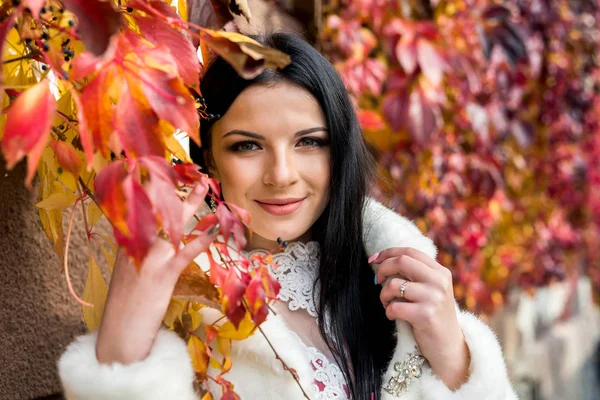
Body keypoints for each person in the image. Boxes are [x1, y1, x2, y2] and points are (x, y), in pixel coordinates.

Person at [58, 33, 518, 400]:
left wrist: (456, 361)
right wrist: (121, 345)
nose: (281, 175)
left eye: (309, 142)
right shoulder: (180, 296)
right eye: (247, 145)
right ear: (211, 158)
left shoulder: (392, 279)